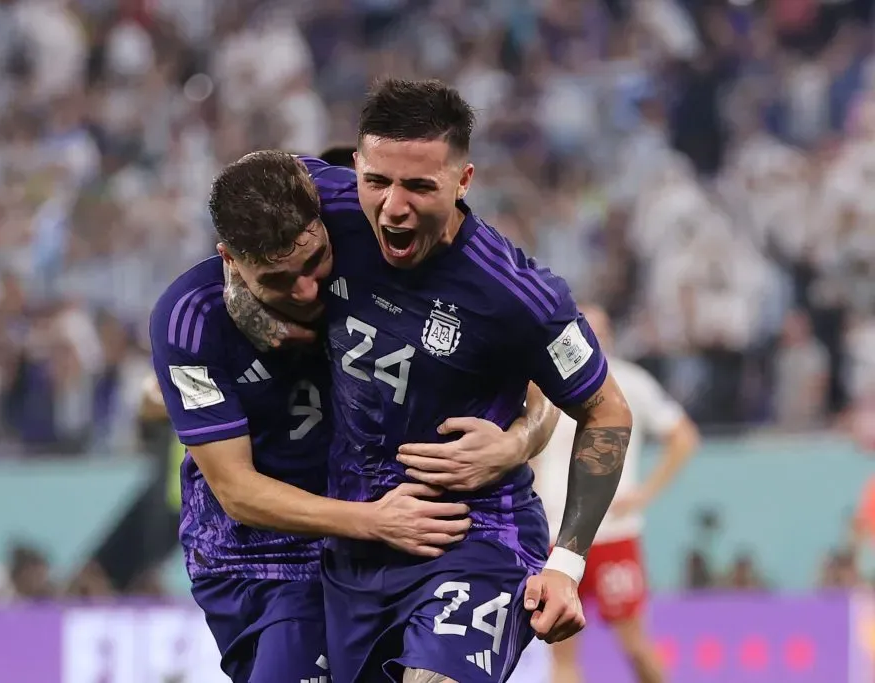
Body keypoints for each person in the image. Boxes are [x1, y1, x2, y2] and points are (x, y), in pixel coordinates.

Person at [216, 79, 634, 683]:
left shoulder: (518, 295)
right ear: (355, 166)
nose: (392, 206)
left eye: (418, 185)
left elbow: (605, 410)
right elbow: (235, 214)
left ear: (463, 181)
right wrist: (250, 311)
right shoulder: (323, 206)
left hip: (474, 538)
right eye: (377, 181)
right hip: (355, 550)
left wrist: (565, 560)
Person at [148, 248, 561, 683]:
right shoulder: (194, 322)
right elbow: (234, 488)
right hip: (261, 555)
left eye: (312, 266)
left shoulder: (378, 261)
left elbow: (546, 363)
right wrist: (374, 520)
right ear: (231, 261)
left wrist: (519, 441)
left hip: (375, 547)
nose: (305, 288)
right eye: (279, 279)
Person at [531, 304, 699, 683]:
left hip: (611, 532)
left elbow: (683, 436)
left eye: (601, 329)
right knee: (562, 654)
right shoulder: (543, 382)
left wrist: (643, 494)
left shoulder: (628, 382)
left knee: (635, 645)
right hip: (556, 532)